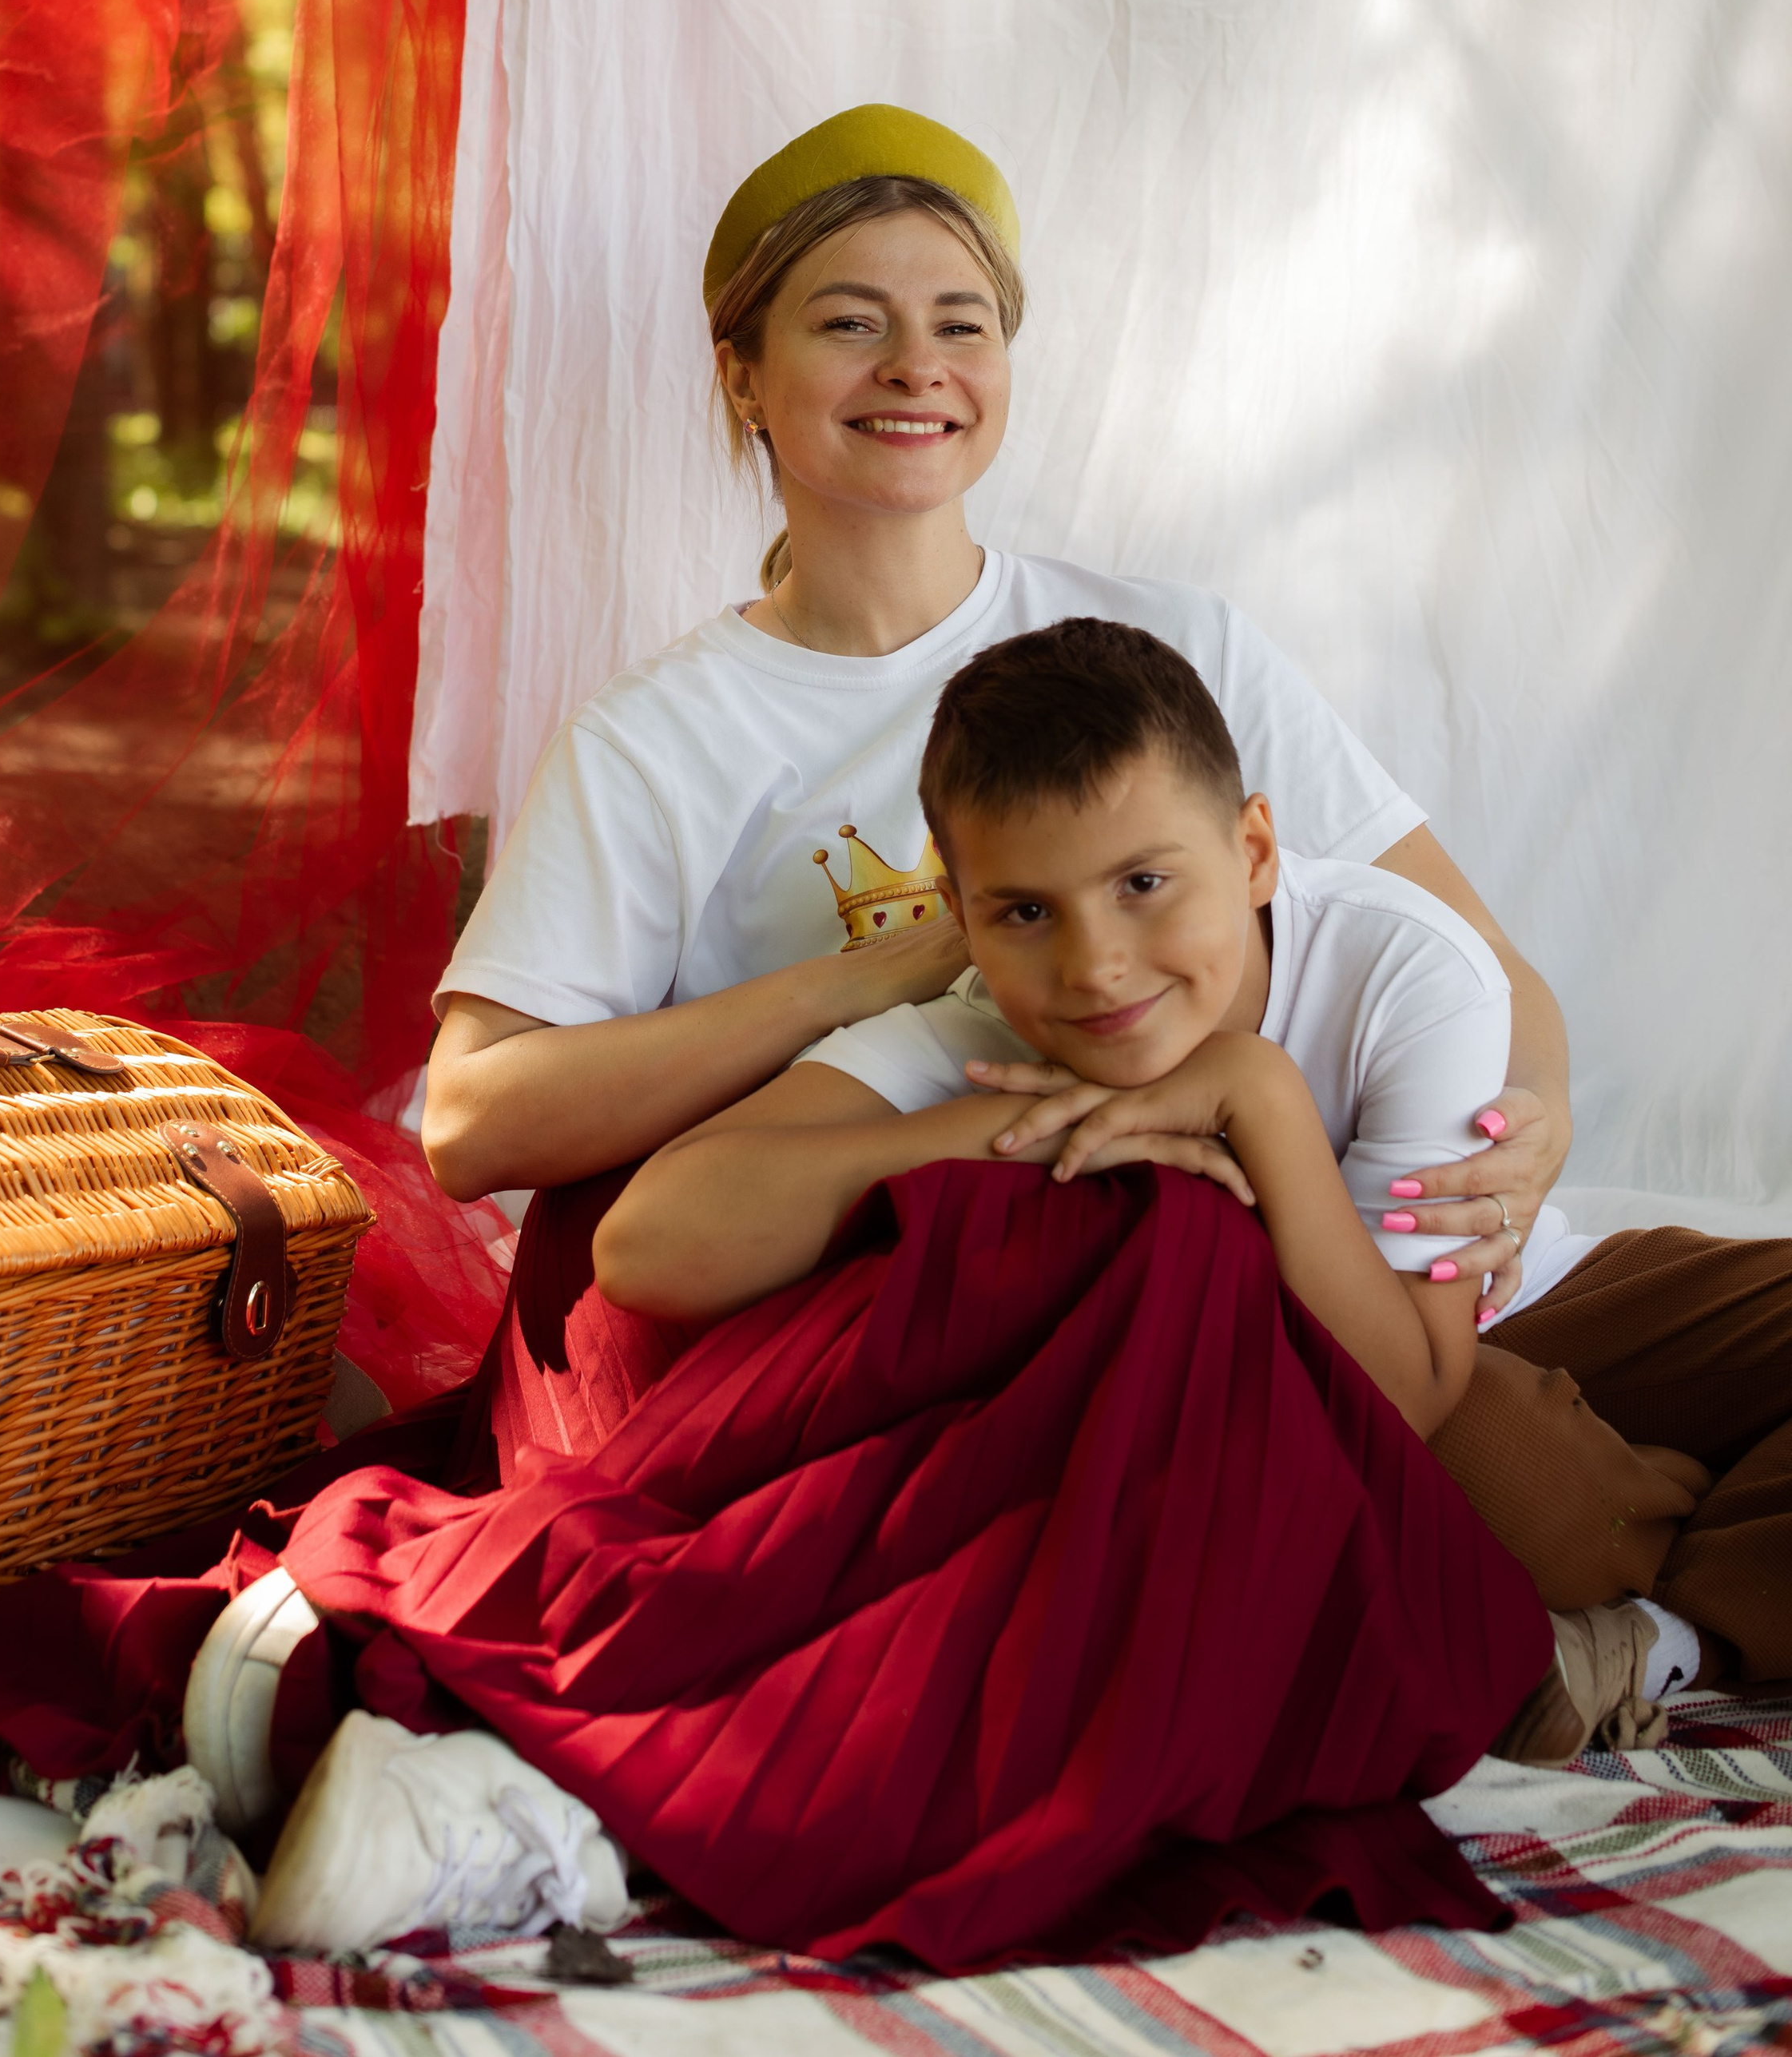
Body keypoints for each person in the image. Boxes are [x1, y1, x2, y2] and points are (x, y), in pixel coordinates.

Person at [422, 103, 1575, 1457]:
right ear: (742, 376)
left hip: (1295, 1254)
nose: (918, 367)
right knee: (1505, 1478)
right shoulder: (653, 739)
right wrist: (880, 971)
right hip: (923, 1303)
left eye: (962, 325)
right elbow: (467, 1125)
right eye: (852, 324)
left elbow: (1479, 963)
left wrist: (1532, 1131)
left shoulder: (1174, 649)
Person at [594, 615, 1700, 1720]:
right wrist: (1025, 1123)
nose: (1095, 966)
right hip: (1333, 1392)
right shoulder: (978, 1027)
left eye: (1143, 884)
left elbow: (1407, 1381)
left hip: (1508, 1296)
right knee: (1519, 1487)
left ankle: (1657, 1605)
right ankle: (1634, 1614)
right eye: (1026, 913)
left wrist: (1253, 1089)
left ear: (1255, 853)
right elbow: (647, 1243)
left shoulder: (1405, 968)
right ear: (965, 925)